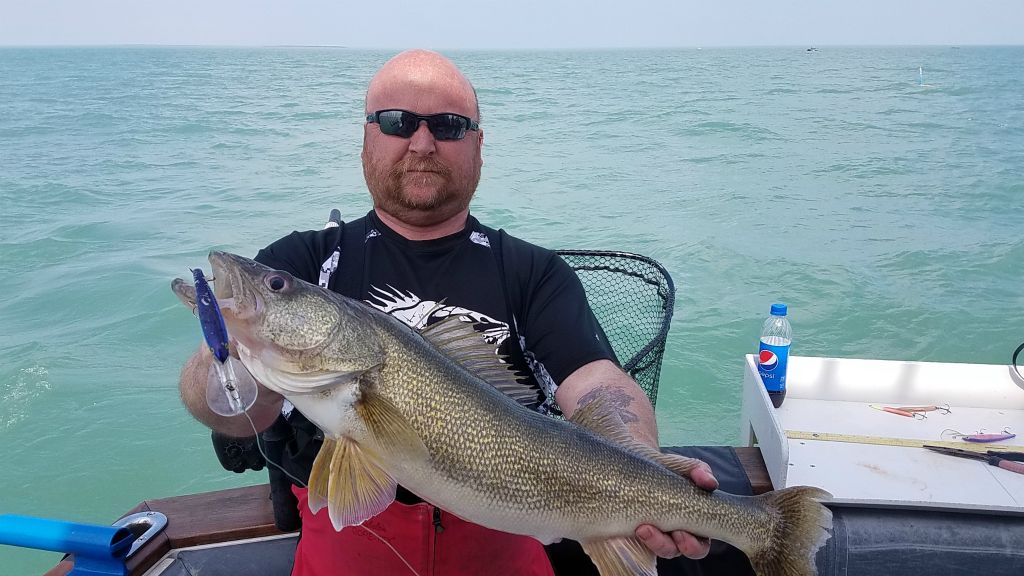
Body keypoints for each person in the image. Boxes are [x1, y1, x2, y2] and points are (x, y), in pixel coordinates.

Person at [47, 49, 718, 576]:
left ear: (478, 145)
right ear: (365, 141)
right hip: (345, 553)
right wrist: (222, 359)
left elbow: (596, 382)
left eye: (448, 126)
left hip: (506, 544)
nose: (421, 143)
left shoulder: (532, 271)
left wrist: (638, 459)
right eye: (397, 122)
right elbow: (240, 412)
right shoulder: (307, 258)